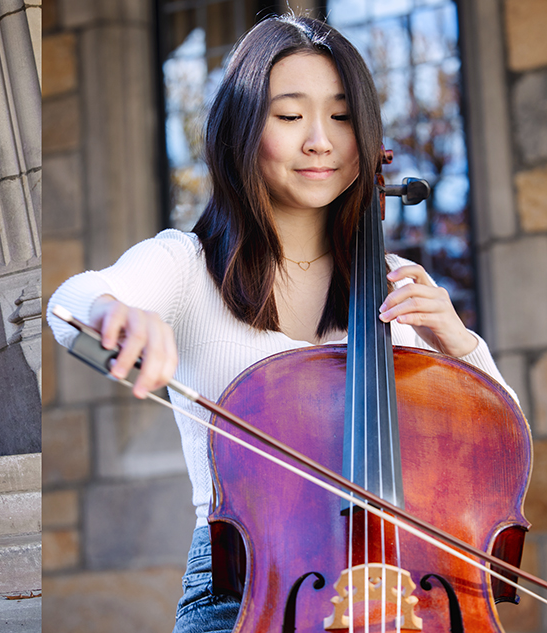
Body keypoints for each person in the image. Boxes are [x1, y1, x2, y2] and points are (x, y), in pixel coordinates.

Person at [46, 14, 518, 633]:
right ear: (242, 131)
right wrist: (116, 313)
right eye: (290, 117)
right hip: (248, 595)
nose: (320, 140)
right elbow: (71, 301)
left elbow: (493, 464)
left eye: (342, 117)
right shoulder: (187, 266)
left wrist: (460, 345)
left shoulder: (395, 285)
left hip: (408, 594)